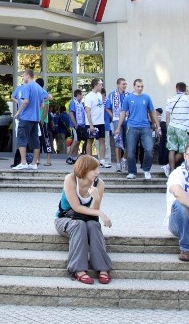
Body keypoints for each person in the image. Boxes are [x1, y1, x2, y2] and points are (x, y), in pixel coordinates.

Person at [55, 155, 113, 285]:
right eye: (94, 169)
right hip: (65, 219)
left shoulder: (99, 184)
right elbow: (76, 207)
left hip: (87, 220)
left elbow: (92, 214)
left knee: (93, 225)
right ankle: (78, 269)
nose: (98, 172)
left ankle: (103, 268)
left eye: (98, 169)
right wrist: (100, 213)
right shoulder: (70, 179)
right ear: (84, 169)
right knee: (79, 225)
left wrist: (96, 199)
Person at [114, 78, 159, 180]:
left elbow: (152, 111)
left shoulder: (147, 97)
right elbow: (123, 113)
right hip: (132, 127)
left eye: (142, 86)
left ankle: (146, 170)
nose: (140, 88)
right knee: (130, 151)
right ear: (134, 86)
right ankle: (132, 172)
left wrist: (157, 125)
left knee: (149, 149)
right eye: (138, 86)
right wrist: (118, 127)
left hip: (145, 127)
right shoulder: (128, 98)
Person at [11, 69, 50, 170]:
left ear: (28, 76)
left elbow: (25, 101)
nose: (23, 78)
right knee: (35, 141)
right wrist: (35, 109)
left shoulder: (26, 86)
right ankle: (33, 163)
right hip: (35, 118)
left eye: (23, 76)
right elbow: (42, 103)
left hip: (25, 117)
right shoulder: (39, 88)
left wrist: (18, 112)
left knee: (21, 139)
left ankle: (23, 162)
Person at [164, 82, 189, 174]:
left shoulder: (170, 99)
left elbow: (167, 116)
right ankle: (168, 167)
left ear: (176, 89)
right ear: (185, 89)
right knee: (184, 150)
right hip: (184, 128)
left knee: (172, 149)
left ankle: (171, 170)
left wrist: (168, 128)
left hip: (172, 126)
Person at [83, 78, 110, 168]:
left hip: (100, 122)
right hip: (91, 123)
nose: (102, 86)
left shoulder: (99, 95)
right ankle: (89, 161)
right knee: (90, 141)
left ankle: (102, 160)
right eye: (100, 84)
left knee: (102, 140)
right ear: (96, 85)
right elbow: (88, 111)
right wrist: (91, 125)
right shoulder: (88, 96)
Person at [105, 78, 128, 172]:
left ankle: (124, 159)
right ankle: (118, 163)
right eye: (123, 84)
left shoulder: (128, 95)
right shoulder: (112, 95)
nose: (124, 86)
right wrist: (113, 116)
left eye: (125, 84)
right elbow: (107, 108)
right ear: (118, 85)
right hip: (116, 120)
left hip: (127, 120)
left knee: (130, 141)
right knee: (118, 141)